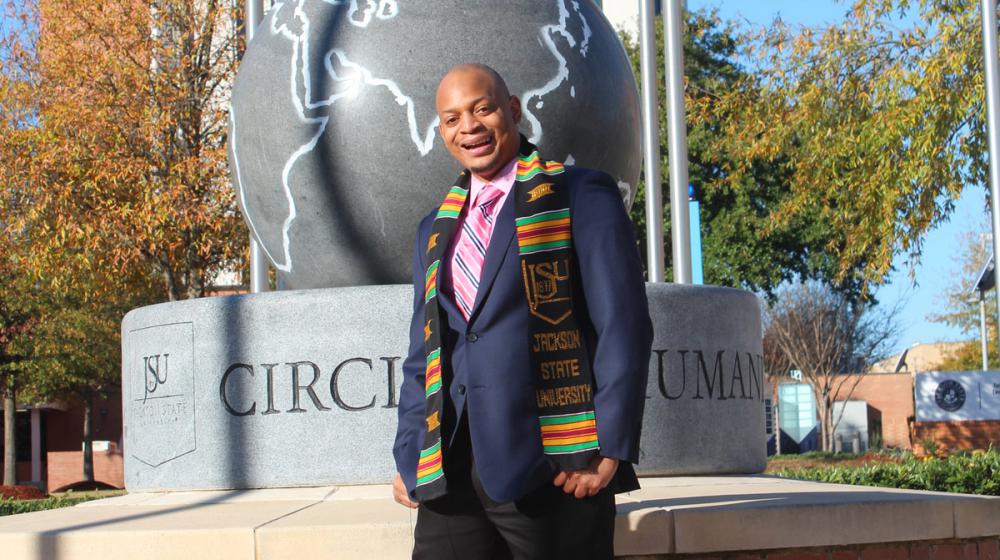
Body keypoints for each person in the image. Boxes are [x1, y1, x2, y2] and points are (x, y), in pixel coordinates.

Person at [392, 63, 653, 560]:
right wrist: (409, 451)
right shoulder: (434, 228)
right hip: (449, 472)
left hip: (554, 465)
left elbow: (623, 325)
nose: (467, 126)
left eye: (481, 109)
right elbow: (422, 352)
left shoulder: (580, 194)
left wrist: (609, 447)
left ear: (512, 110)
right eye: (451, 118)